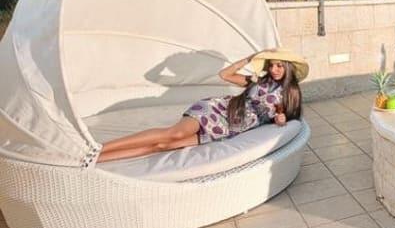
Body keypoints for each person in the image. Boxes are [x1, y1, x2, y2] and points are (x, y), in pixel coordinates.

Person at [97, 49, 307, 163]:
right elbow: (225, 74)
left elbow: (287, 117)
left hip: (227, 129)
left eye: (279, 66)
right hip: (216, 110)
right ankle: (99, 149)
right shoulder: (257, 81)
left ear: (288, 68)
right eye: (272, 65)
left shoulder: (290, 93)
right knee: (174, 134)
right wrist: (249, 59)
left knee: (164, 146)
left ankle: (100, 159)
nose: (274, 69)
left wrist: (280, 120)